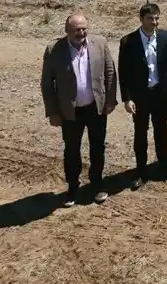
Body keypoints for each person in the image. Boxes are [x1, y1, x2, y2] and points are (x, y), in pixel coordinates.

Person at [40, 13, 117, 207]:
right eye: (76, 30)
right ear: (67, 31)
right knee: (72, 149)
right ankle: (73, 186)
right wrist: (53, 112)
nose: (81, 33)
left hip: (95, 107)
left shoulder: (99, 43)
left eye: (84, 29)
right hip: (69, 111)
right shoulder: (54, 49)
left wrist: (110, 101)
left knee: (98, 147)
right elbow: (47, 83)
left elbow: (110, 72)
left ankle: (97, 183)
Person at [118, 3, 167, 189]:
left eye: (157, 18)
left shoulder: (165, 37)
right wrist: (127, 99)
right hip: (140, 96)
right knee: (140, 133)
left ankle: (163, 164)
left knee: (161, 131)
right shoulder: (128, 41)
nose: (155, 22)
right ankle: (141, 171)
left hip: (160, 93)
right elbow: (124, 72)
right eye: (151, 19)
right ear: (141, 19)